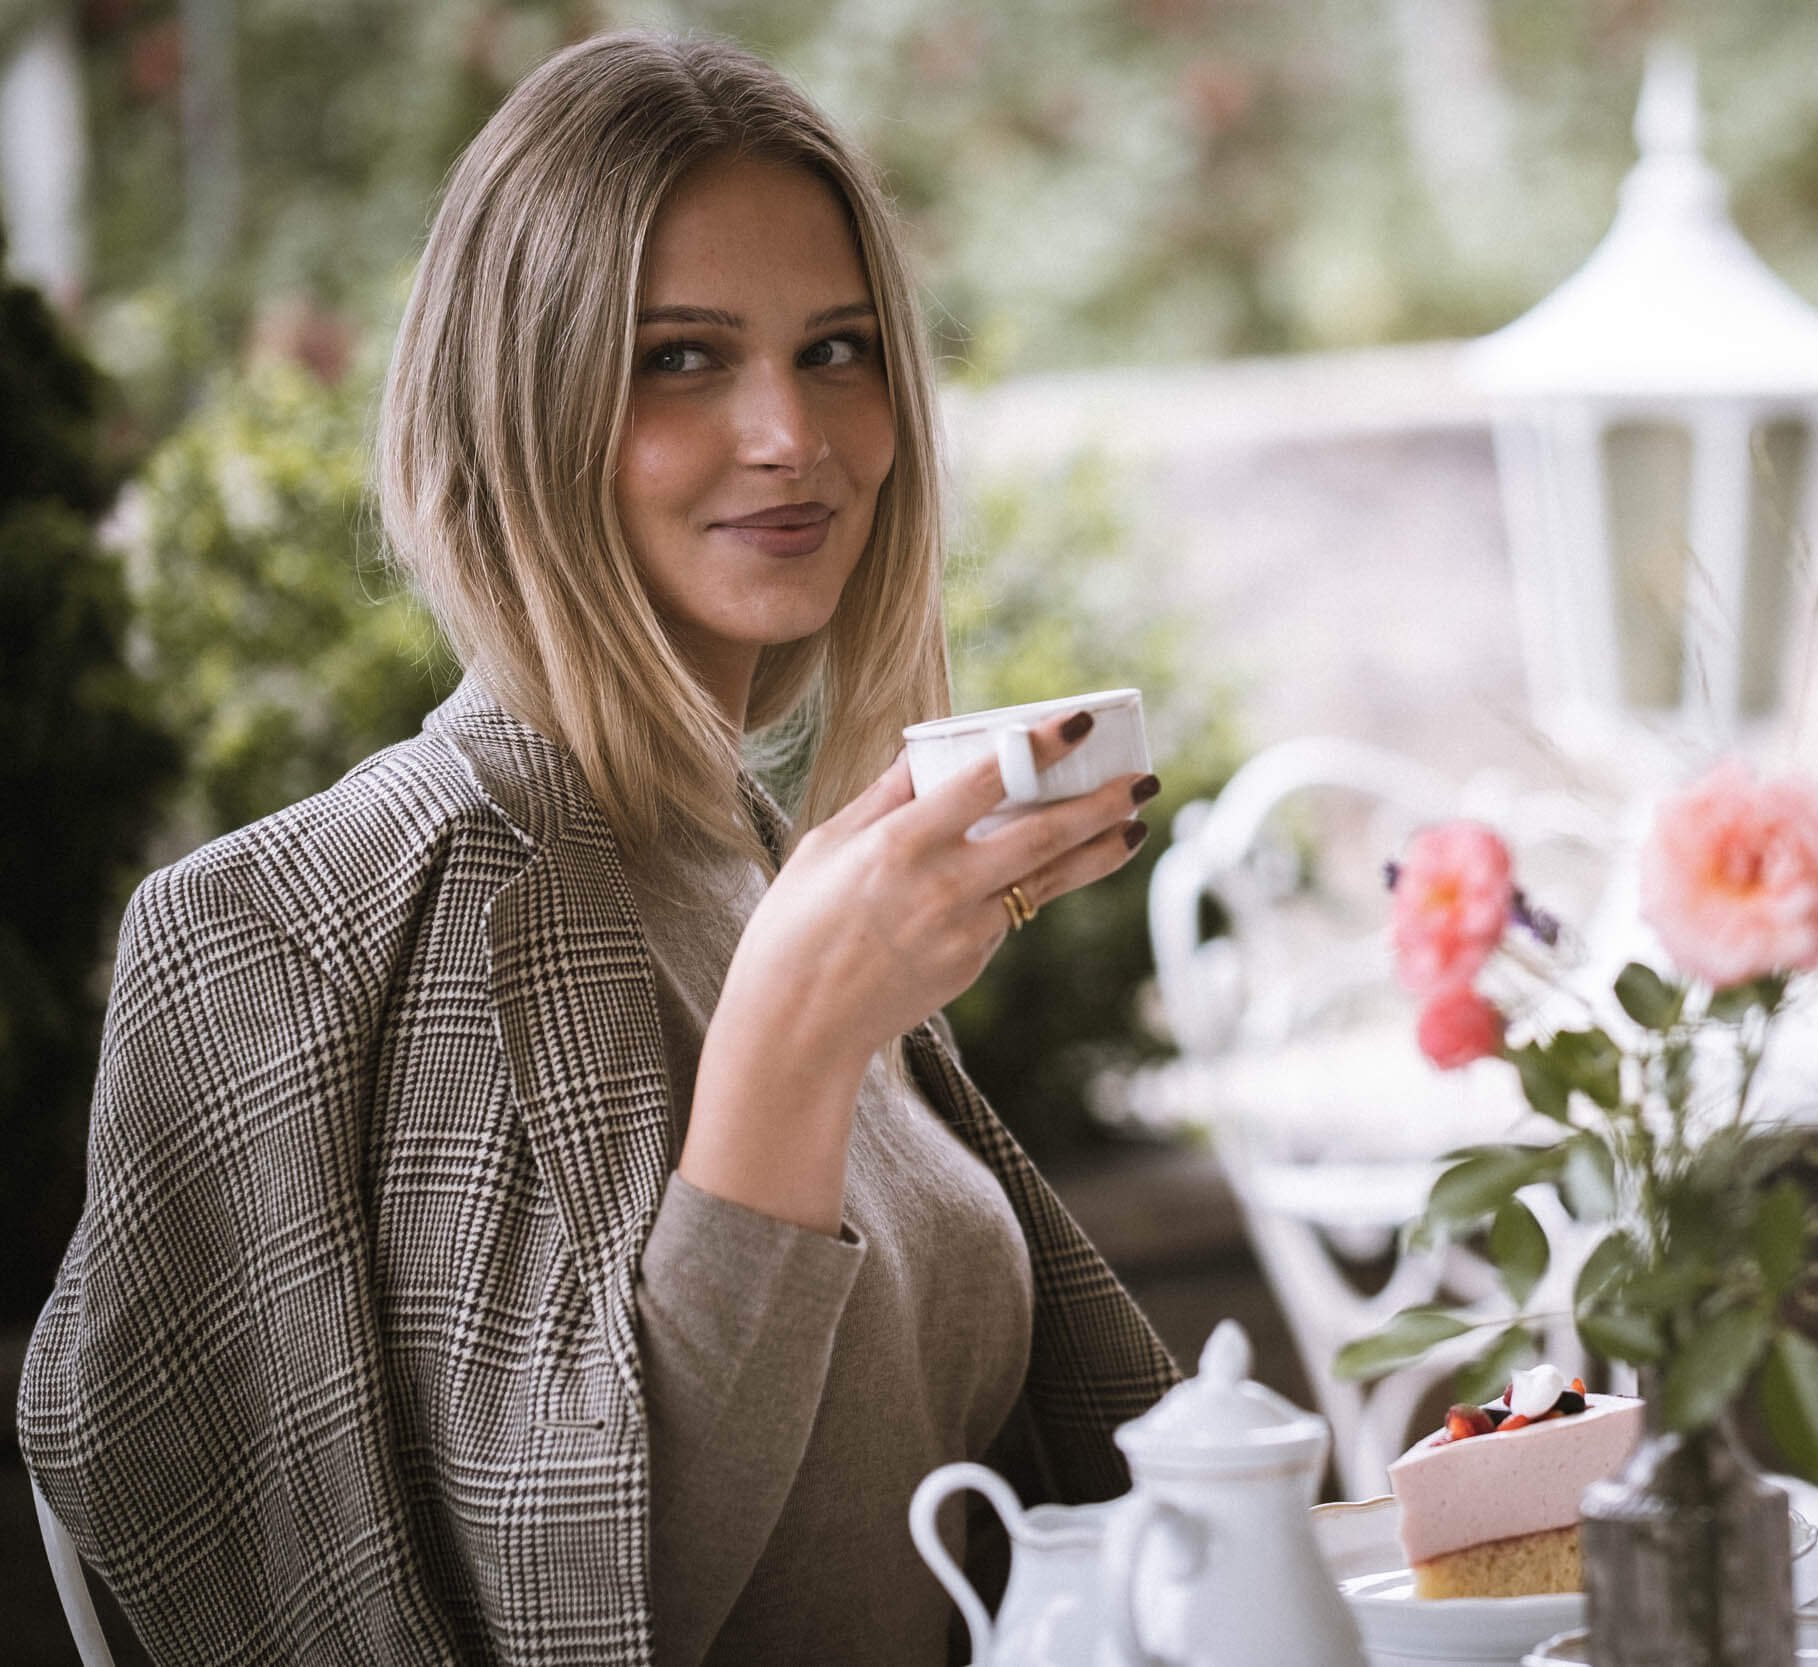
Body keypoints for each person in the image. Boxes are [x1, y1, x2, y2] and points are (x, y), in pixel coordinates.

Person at [17, 30, 1177, 1666]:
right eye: (680, 358)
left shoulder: (756, 863)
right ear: (515, 406)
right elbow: (538, 1623)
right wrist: (788, 1049)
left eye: (838, 350)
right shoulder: (285, 933)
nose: (792, 431)